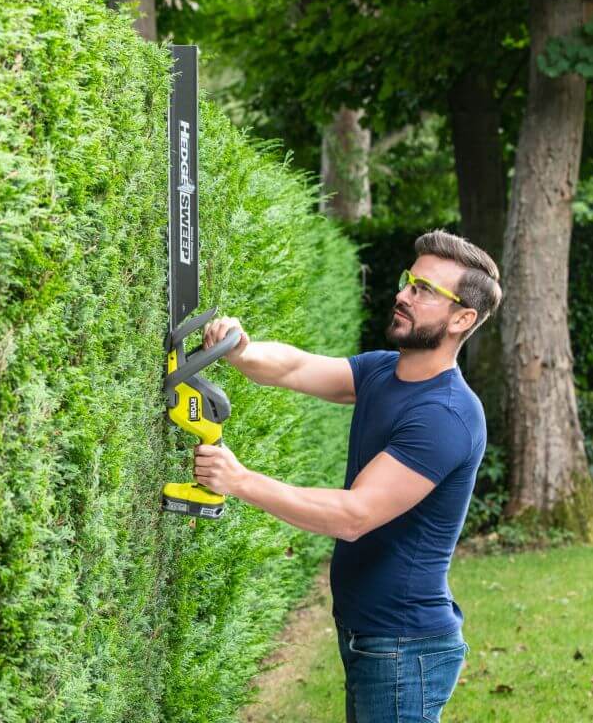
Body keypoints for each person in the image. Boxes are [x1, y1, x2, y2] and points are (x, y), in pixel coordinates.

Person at [197, 229, 502, 723]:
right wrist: (240, 351)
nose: (402, 295)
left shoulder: (446, 415)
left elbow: (355, 515)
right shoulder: (386, 372)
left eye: (425, 291)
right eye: (409, 281)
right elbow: (296, 368)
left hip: (403, 647)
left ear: (462, 318)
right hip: (373, 634)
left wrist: (240, 480)